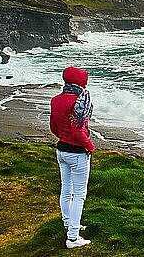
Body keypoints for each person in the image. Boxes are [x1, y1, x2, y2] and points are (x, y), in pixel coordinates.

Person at [49, 66, 94, 249]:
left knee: (66, 190)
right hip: (77, 152)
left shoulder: (56, 100)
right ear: (81, 83)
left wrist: (64, 136)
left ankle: (69, 224)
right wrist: (89, 146)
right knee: (80, 195)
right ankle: (73, 238)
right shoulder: (79, 101)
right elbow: (78, 131)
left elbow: (54, 128)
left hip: (61, 150)